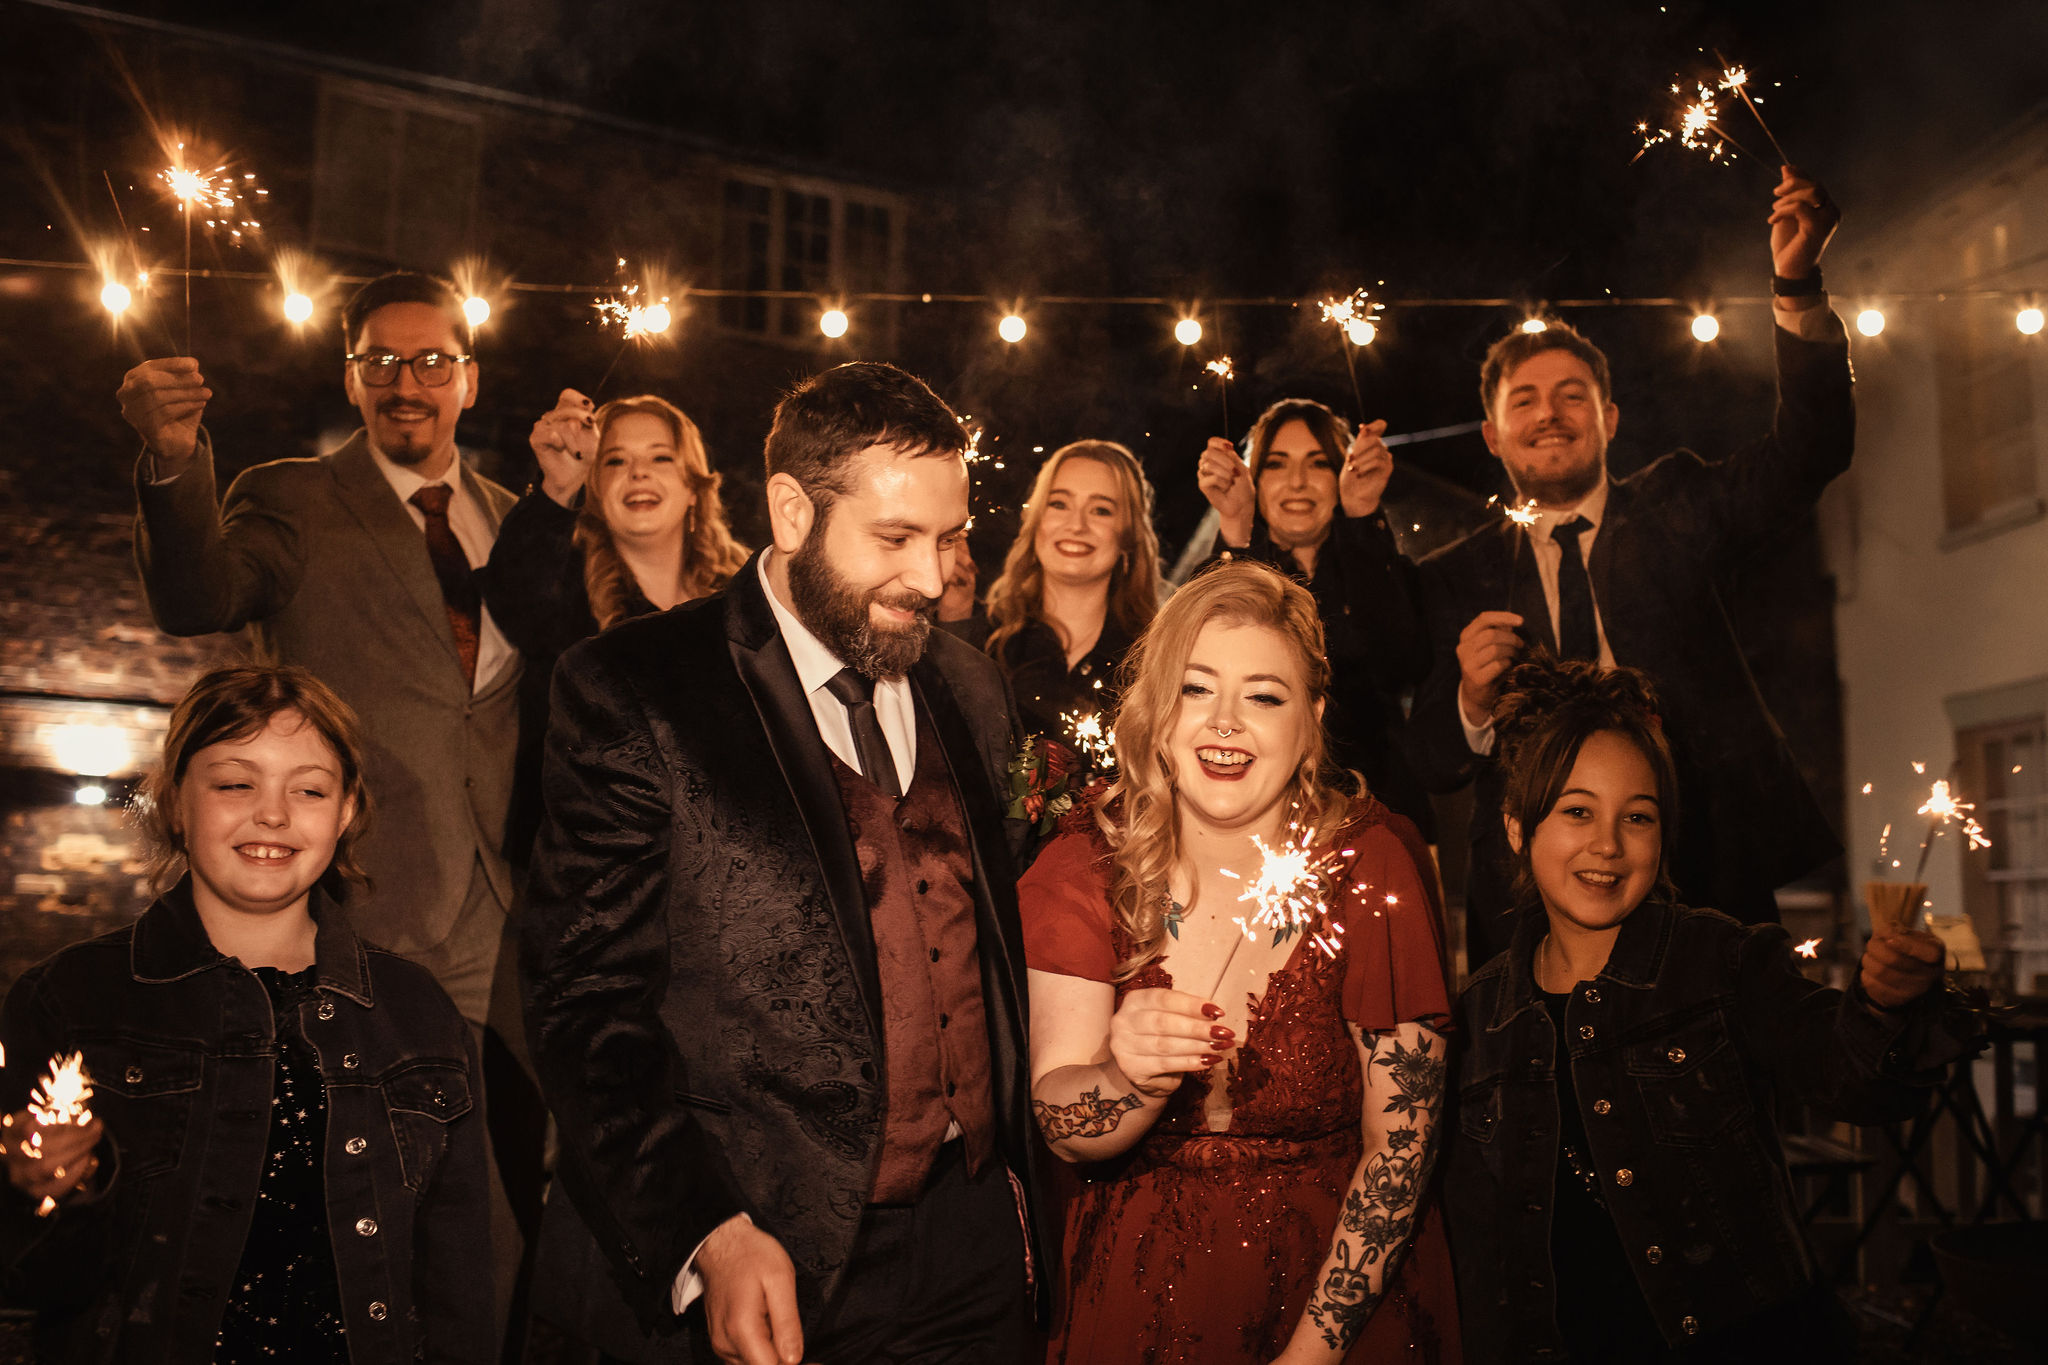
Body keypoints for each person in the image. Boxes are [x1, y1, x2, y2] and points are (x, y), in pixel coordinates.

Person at [521, 361, 1047, 1365]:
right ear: (792, 512)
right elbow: (585, 1004)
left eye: (945, 538)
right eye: (892, 539)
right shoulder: (636, 688)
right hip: (771, 1251)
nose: (932, 577)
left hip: (970, 1242)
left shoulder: (971, 688)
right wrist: (705, 1232)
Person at [118, 270, 535, 1337]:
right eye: (381, 361)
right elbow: (196, 596)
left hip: (507, 913)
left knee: (493, 1197)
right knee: (348, 1187)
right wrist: (171, 462)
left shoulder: (521, 524)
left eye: (431, 360)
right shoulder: (294, 496)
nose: (408, 382)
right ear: (349, 377)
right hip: (358, 899)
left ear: (470, 379)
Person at [1442, 657, 1975, 1363]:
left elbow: (1848, 1072)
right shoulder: (1479, 1019)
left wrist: (1884, 1005)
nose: (1607, 844)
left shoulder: (1719, 960)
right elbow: (1475, 1251)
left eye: (1637, 816)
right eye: (1577, 810)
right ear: (1517, 826)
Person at [1408, 167, 1852, 966]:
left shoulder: (1677, 502)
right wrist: (1473, 700)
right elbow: (1432, 758)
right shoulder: (1454, 573)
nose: (1549, 412)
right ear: (1492, 435)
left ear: (1610, 419)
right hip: (1527, 914)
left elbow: (1810, 453)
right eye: (1526, 400)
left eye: (1573, 395)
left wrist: (1796, 284)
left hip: (1707, 872)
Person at [1021, 560, 1459, 1363]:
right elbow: (1060, 1125)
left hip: (1341, 1308)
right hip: (1139, 1303)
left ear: (1312, 718)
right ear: (1157, 709)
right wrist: (1130, 1081)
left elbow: (1401, 1144)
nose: (1224, 723)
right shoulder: (1082, 865)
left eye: (1263, 695)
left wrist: (1310, 1355)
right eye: (1195, 689)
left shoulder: (1370, 865)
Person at [0, 665, 490, 1364]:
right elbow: (34, 1280)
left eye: (310, 789)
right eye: (236, 783)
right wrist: (51, 1189)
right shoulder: (73, 998)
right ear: (175, 802)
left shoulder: (415, 1013)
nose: (274, 812)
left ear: (347, 810)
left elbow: (458, 1282)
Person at [1197, 401, 1434, 836]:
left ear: (1343, 472)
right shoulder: (1225, 570)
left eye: (1318, 463)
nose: (1298, 482)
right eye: (1276, 464)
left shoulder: (1380, 566)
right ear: (1252, 477)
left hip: (1378, 810)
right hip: (1252, 821)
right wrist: (1236, 521)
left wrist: (1363, 513)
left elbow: (1403, 663)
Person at [481, 387, 750, 666]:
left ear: (694, 486)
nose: (638, 472)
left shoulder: (746, 597)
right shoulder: (564, 595)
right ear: (594, 489)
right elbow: (511, 597)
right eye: (616, 461)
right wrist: (558, 487)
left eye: (660, 457)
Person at [983, 439, 1163, 777]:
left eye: (1101, 510)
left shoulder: (1157, 657)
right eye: (1059, 504)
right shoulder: (981, 639)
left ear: (1128, 536)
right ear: (1035, 521)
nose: (1076, 525)